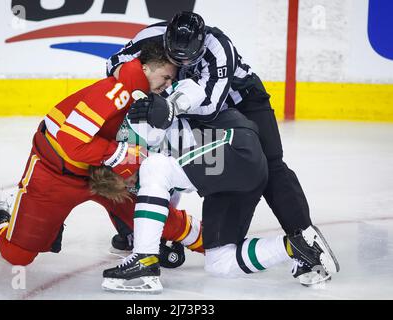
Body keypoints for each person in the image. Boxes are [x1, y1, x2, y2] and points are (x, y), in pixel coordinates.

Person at [106, 11, 325, 281]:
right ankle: (157, 232)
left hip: (240, 104)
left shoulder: (219, 48)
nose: (182, 62)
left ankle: (304, 236)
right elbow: (115, 63)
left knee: (271, 167)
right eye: (175, 57)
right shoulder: (151, 37)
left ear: (202, 42)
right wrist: (139, 90)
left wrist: (165, 107)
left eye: (189, 58)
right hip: (183, 105)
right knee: (165, 158)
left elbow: (210, 106)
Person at [0, 42, 203, 267]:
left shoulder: (142, 94)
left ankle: (215, 244)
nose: (167, 85)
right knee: (18, 255)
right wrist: (125, 156)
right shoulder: (116, 92)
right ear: (146, 68)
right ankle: (0, 219)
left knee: (154, 211)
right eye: (166, 77)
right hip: (56, 173)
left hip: (102, 172)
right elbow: (71, 141)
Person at [101, 92, 340, 293]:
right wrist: (160, 238)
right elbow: (163, 198)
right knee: (219, 262)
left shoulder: (133, 129)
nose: (132, 188)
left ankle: (145, 261)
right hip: (234, 177)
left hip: (233, 144)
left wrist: (150, 243)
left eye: (126, 183)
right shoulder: (150, 170)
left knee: (154, 167)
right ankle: (297, 246)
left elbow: (188, 98)